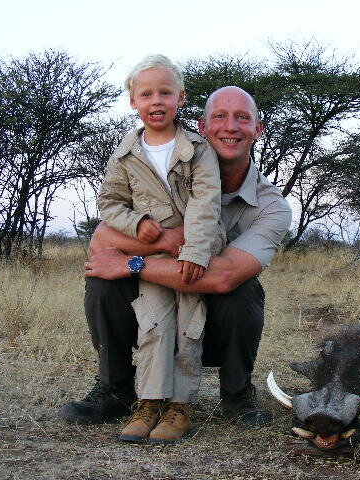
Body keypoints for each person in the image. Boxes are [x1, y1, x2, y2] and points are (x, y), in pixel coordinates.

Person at [60, 85, 292, 435]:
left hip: (211, 321)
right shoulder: (162, 171)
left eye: (242, 118)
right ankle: (115, 389)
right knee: (101, 282)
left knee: (242, 291)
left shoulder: (272, 206)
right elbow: (103, 238)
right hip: (155, 316)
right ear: (201, 126)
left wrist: (132, 263)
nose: (230, 126)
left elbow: (223, 276)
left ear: (257, 130)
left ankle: (237, 393)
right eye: (220, 117)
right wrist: (169, 240)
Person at [93, 54, 225, 445]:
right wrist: (138, 226)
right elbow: (109, 203)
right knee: (153, 323)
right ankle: (149, 401)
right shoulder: (124, 154)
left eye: (164, 93)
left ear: (180, 98)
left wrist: (196, 253)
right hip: (152, 254)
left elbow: (206, 203)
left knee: (189, 326)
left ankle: (180, 405)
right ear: (132, 101)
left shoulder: (199, 150)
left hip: (192, 253)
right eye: (146, 94)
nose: (156, 101)